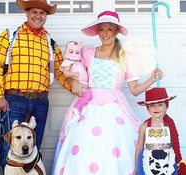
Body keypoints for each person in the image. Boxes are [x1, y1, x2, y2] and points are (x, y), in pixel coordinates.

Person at [52, 10, 163, 175]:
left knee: (114, 146)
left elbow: (134, 90)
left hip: (114, 109)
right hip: (88, 108)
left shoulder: (125, 57)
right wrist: (73, 81)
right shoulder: (87, 53)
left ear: (116, 31)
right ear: (97, 32)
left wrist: (152, 79)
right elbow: (73, 75)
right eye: (101, 29)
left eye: (109, 29)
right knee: (85, 147)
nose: (105, 34)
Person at [0, 0, 72, 171]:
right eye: (34, 12)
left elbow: (62, 74)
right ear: (26, 13)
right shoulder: (9, 36)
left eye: (42, 13)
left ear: (46, 16)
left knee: (31, 151)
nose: (38, 16)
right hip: (13, 101)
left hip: (40, 102)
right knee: (8, 152)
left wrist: (83, 91)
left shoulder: (51, 43)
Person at [134, 87, 186, 175]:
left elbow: (175, 143)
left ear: (166, 107)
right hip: (149, 163)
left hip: (167, 162)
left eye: (160, 105)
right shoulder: (144, 126)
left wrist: (178, 162)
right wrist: (136, 167)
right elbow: (139, 147)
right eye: (152, 105)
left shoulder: (169, 124)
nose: (156, 108)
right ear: (147, 108)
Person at [60, 41, 91, 118]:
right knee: (88, 95)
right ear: (66, 52)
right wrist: (73, 74)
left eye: (77, 52)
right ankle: (77, 107)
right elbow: (66, 73)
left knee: (88, 96)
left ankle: (81, 107)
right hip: (79, 84)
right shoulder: (68, 62)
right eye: (71, 51)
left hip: (85, 83)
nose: (74, 54)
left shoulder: (79, 62)